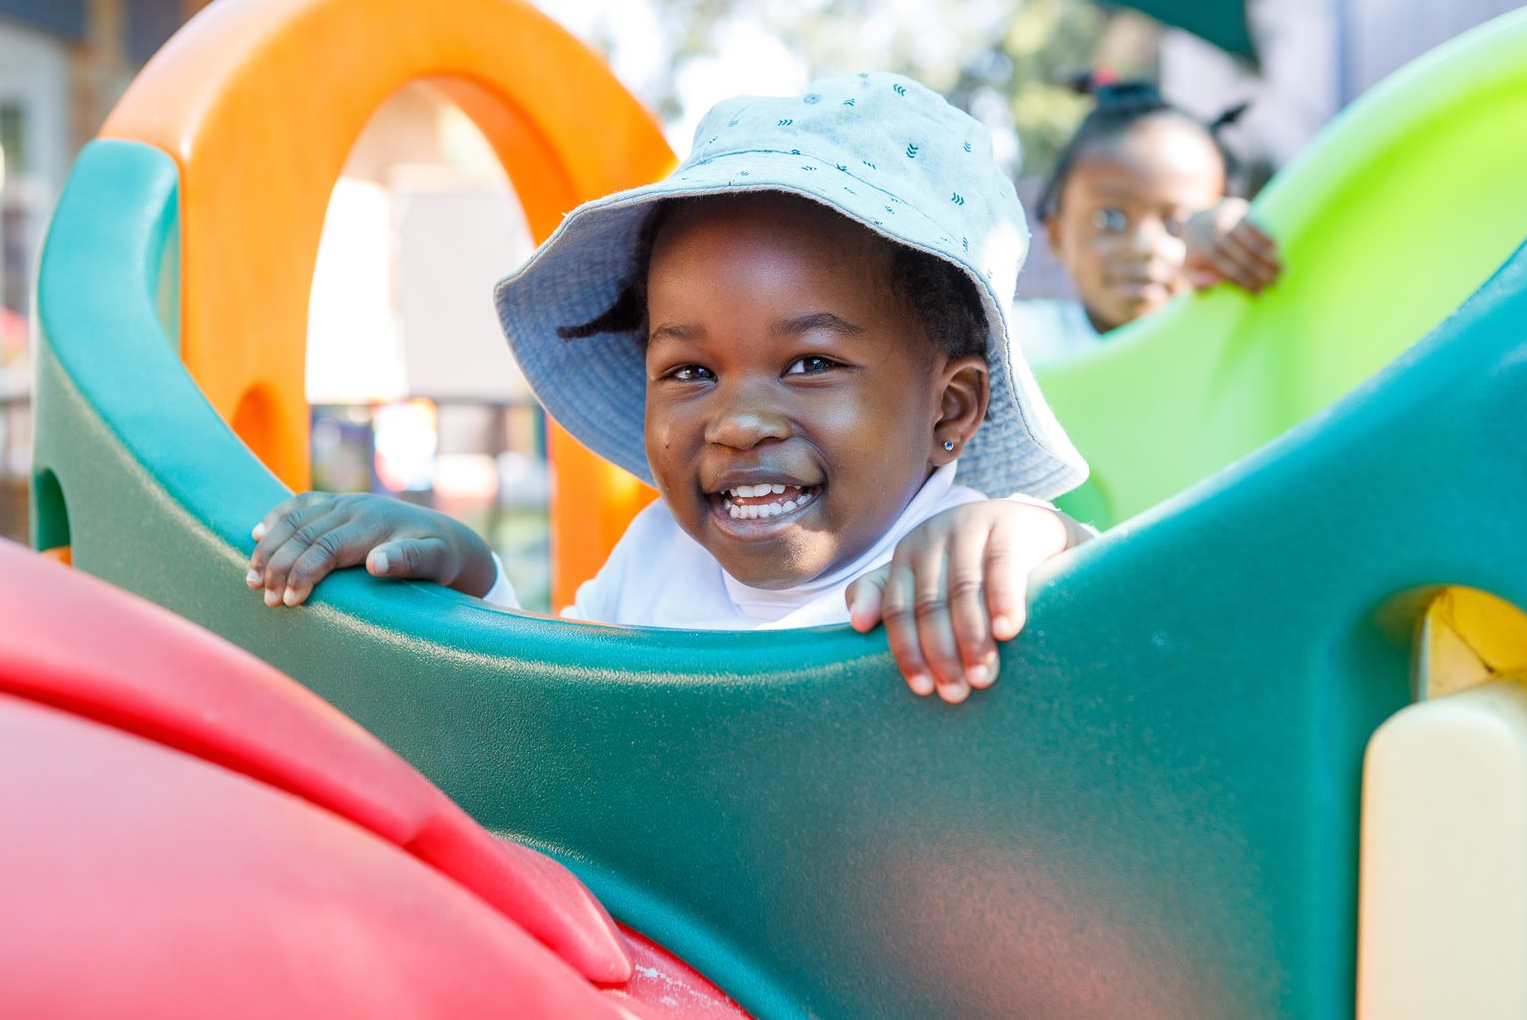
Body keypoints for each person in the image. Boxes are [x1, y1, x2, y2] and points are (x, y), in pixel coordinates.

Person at [246, 72, 1093, 704]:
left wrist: (1036, 540)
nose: (740, 422)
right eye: (691, 371)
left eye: (809, 363)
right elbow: (563, 707)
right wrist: (469, 588)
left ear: (950, 408)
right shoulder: (655, 556)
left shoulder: (961, 557)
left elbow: (1131, 623)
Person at [1014, 76, 1283, 365]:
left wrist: (1242, 238)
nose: (1143, 246)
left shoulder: (1234, 342)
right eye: (1109, 219)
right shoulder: (1022, 346)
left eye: (1176, 226)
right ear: (1056, 235)